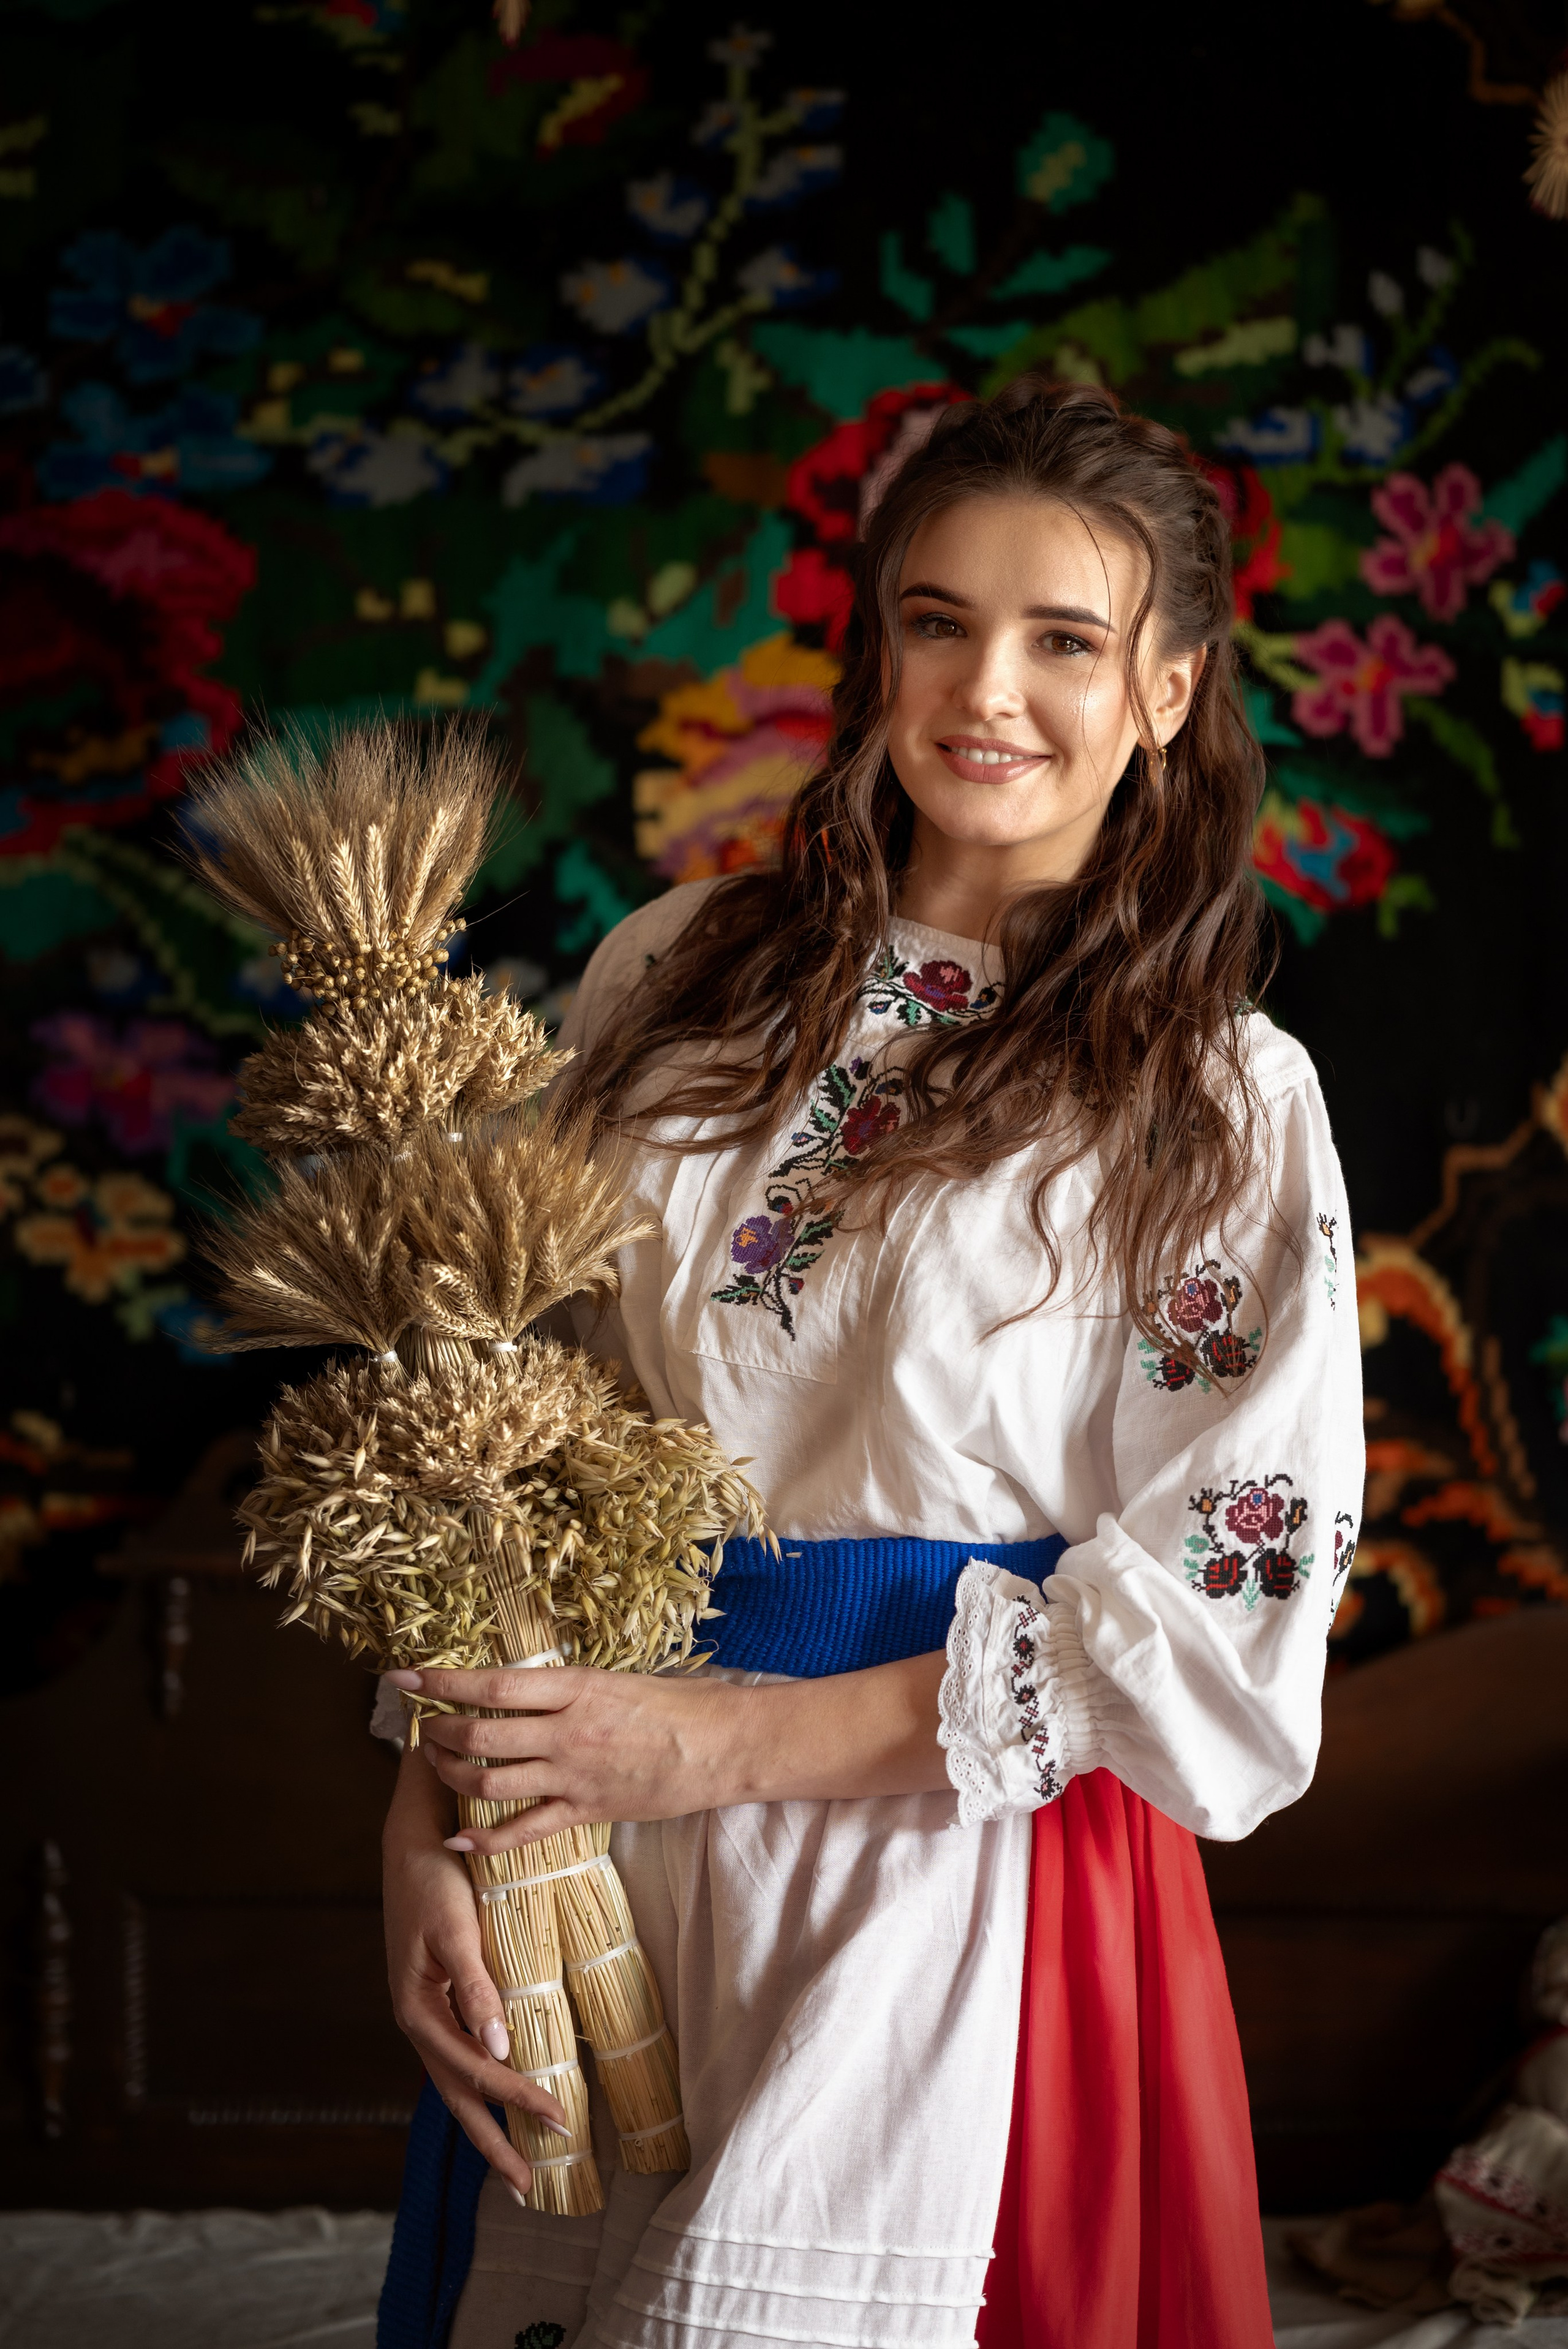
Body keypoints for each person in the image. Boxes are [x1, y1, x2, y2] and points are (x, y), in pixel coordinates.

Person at [374, 377, 1364, 2349]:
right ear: (877, 642)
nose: (986, 689)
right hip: (597, 1826)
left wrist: (709, 1740)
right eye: (937, 619)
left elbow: (1223, 1625)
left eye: (1065, 638)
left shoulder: (1218, 1101)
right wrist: (430, 1817)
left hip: (961, 1872)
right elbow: (516, 1421)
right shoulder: (672, 975)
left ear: (1168, 684)